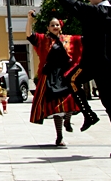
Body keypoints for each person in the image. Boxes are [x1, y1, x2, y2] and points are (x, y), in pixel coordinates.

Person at [46, 0, 111, 159]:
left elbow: (75, 5)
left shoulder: (96, 12)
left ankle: (89, 114)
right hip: (110, 63)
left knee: (71, 79)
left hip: (97, 63)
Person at [25, 11, 81, 147]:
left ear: (60, 26)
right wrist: (30, 20)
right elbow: (28, 35)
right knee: (57, 108)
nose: (55, 27)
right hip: (49, 77)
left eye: (57, 24)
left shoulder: (68, 39)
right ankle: (59, 136)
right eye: (52, 25)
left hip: (65, 76)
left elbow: (80, 46)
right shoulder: (43, 39)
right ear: (48, 28)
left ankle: (67, 120)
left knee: (73, 102)